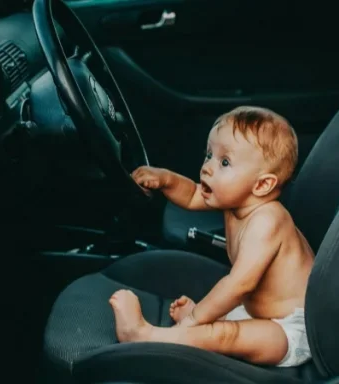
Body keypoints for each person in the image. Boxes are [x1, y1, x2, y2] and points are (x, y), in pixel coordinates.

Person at [110, 106, 314, 367]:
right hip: (255, 313)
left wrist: (194, 318)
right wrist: (165, 179)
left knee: (225, 335)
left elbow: (239, 285)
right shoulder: (237, 201)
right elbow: (194, 195)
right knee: (224, 322)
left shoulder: (268, 221)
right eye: (209, 155)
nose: (207, 167)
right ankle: (195, 329)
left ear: (262, 185)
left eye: (224, 162)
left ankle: (144, 335)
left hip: (291, 329)